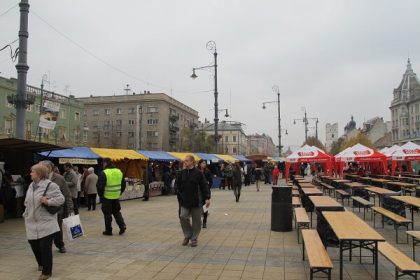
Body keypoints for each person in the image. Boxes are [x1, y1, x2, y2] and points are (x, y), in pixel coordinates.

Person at [23, 163, 64, 280]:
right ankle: (41, 263)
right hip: (31, 222)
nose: (30, 173)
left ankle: (47, 272)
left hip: (46, 222)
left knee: (45, 248)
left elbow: (61, 199)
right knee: (33, 244)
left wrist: (48, 201)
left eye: (32, 172)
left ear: (39, 174)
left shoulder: (51, 185)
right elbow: (27, 202)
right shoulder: (31, 185)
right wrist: (26, 213)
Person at [175, 155, 210, 247]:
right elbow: (177, 185)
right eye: (184, 161)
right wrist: (179, 194)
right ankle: (188, 235)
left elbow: (204, 186)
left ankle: (194, 238)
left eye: (186, 161)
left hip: (196, 201)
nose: (184, 162)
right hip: (184, 201)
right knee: (183, 217)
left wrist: (207, 198)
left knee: (196, 221)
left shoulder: (198, 173)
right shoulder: (181, 173)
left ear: (192, 162)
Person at [40, 161, 73, 254]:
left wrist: (70, 208)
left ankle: (60, 245)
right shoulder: (40, 178)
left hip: (56, 208)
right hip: (43, 208)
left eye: (42, 167)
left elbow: (67, 194)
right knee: (45, 229)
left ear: (49, 168)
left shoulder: (59, 178)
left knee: (57, 228)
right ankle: (46, 247)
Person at [97, 158, 127, 235]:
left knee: (107, 214)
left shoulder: (104, 172)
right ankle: (122, 225)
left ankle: (108, 230)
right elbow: (123, 184)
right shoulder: (119, 171)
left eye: (103, 163)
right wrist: (119, 193)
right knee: (117, 212)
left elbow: (100, 186)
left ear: (105, 163)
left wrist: (101, 196)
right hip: (116, 196)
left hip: (107, 197)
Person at [197, 159, 212, 228]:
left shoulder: (207, 171)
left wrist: (208, 187)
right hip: (197, 192)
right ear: (199, 164)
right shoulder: (196, 171)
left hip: (206, 192)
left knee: (205, 207)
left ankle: (204, 221)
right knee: (198, 207)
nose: (204, 164)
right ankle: (198, 220)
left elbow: (211, 181)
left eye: (205, 163)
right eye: (203, 163)